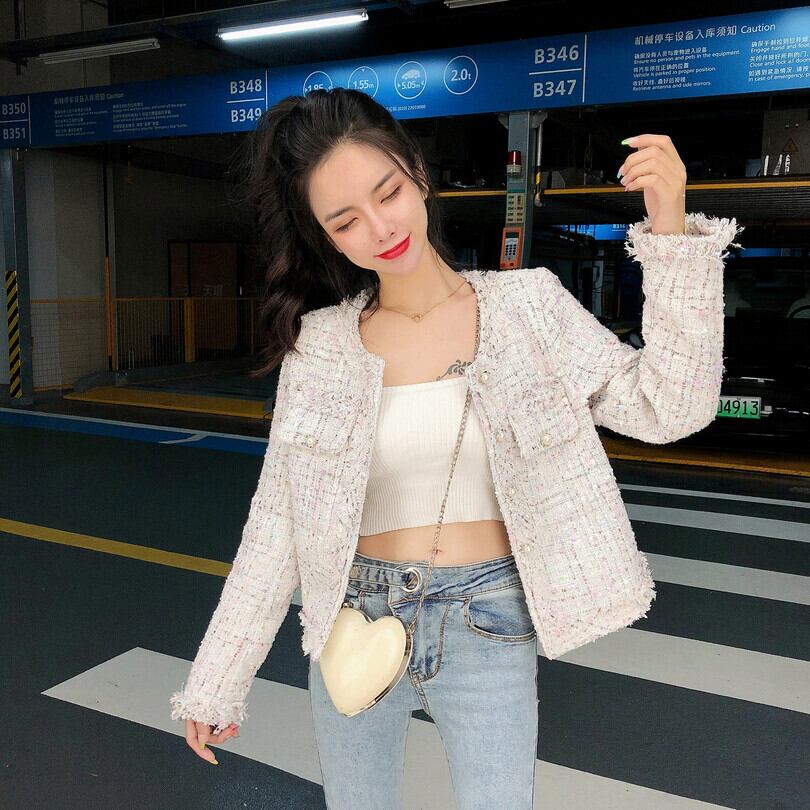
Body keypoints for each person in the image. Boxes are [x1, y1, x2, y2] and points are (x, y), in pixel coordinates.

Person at [170, 88, 741, 808]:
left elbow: (671, 407)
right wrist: (217, 680)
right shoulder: (320, 348)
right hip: (355, 617)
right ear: (327, 237)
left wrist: (672, 230)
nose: (380, 227)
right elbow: (276, 523)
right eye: (346, 220)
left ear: (418, 172)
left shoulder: (529, 307)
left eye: (387, 193)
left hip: (489, 620)